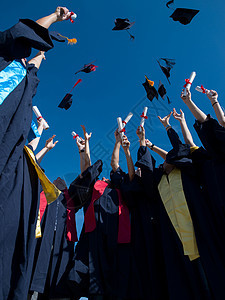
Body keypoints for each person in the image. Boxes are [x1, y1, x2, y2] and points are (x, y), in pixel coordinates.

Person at [0, 7, 70, 299]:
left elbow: (21, 137)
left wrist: (37, 65)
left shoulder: (26, 79)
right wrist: (55, 15)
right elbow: (20, 34)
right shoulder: (4, 58)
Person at [136, 120, 214, 300]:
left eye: (167, 160)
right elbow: (146, 170)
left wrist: (168, 128)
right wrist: (142, 143)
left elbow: (180, 148)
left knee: (208, 279)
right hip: (175, 242)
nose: (162, 164)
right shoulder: (160, 183)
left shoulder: (187, 173)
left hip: (199, 235)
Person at [111, 130, 169, 299]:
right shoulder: (132, 186)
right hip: (136, 232)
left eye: (142, 167)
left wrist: (144, 142)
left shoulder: (154, 181)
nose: (138, 170)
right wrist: (123, 148)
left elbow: (163, 162)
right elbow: (119, 169)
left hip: (158, 228)